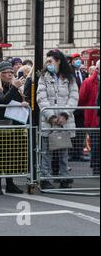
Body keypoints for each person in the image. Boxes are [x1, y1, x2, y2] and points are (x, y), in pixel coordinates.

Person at [37, 49, 79, 190]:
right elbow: (41, 97)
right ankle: (45, 177)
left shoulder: (69, 77)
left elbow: (73, 97)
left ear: (58, 61)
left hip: (64, 120)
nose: (48, 63)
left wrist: (65, 114)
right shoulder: (43, 77)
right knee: (46, 152)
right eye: (47, 61)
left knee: (63, 151)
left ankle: (64, 177)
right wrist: (51, 116)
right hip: (49, 120)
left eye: (50, 61)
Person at [0, 61, 27, 195]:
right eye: (7, 72)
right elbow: (3, 100)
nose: (10, 75)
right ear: (0, 74)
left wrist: (22, 103)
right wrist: (14, 88)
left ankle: (10, 183)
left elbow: (14, 101)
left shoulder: (12, 86)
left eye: (11, 72)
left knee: (11, 154)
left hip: (13, 123)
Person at [78, 60, 100, 175]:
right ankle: (96, 167)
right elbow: (81, 99)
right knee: (96, 144)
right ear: (97, 69)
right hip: (93, 118)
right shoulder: (88, 82)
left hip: (95, 117)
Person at [69, 52, 89, 162]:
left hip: (81, 107)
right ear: (71, 61)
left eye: (79, 59)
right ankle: (72, 153)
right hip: (73, 106)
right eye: (76, 59)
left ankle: (79, 152)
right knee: (73, 131)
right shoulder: (69, 73)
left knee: (81, 131)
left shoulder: (82, 73)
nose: (78, 61)